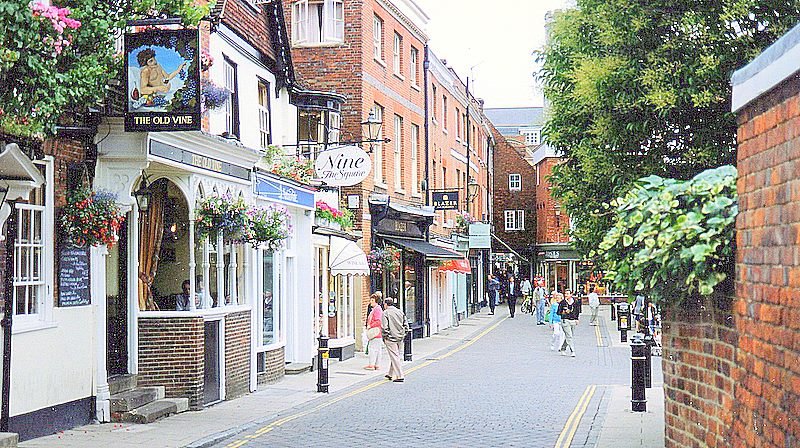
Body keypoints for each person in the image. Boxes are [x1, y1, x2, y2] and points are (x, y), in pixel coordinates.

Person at [381, 297, 410, 382]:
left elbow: (384, 327)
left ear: (386, 304)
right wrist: (403, 334)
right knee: (395, 355)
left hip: (391, 338)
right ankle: (390, 374)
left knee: (395, 356)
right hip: (400, 337)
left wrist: (386, 336)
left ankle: (400, 375)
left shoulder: (385, 313)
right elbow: (406, 325)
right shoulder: (399, 311)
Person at [557, 289, 580, 357]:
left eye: (567, 294)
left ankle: (563, 348)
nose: (566, 295)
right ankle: (572, 351)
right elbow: (558, 312)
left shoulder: (575, 302)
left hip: (572, 321)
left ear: (571, 294)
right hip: (565, 320)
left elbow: (577, 311)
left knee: (569, 336)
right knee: (569, 336)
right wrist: (563, 312)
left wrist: (576, 319)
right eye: (565, 294)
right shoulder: (562, 302)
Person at [364, 293, 384, 370]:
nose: (370, 302)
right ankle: (376, 365)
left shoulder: (377, 309)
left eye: (372, 300)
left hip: (375, 332)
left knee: (372, 349)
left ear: (376, 301)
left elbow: (378, 321)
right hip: (378, 332)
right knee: (378, 349)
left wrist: (370, 326)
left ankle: (371, 365)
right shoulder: (376, 309)